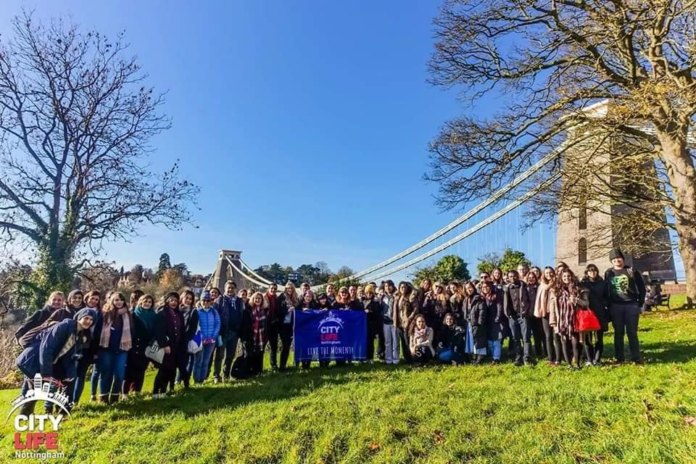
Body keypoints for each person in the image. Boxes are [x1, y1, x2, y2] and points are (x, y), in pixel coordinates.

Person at [15, 308, 96, 415]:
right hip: (33, 360)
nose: (88, 321)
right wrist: (46, 374)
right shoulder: (63, 326)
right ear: (78, 317)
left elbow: (69, 357)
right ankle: (25, 416)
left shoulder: (79, 335)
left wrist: (70, 374)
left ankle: (63, 413)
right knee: (35, 388)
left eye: (91, 320)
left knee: (70, 381)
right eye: (86, 318)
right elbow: (46, 349)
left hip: (48, 362)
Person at [604, 248, 646, 364]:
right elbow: (606, 289)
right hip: (616, 306)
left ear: (622, 259)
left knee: (632, 333)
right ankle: (619, 358)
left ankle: (636, 358)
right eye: (614, 259)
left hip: (631, 305)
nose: (617, 260)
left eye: (619, 258)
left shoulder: (631, 271)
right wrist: (608, 304)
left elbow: (641, 288)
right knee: (618, 333)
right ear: (611, 261)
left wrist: (640, 303)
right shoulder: (608, 273)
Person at [95, 292, 133, 403]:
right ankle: (103, 397)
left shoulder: (127, 314)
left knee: (120, 374)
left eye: (121, 299)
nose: (119, 302)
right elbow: (97, 331)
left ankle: (115, 396)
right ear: (112, 301)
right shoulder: (105, 313)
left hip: (122, 349)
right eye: (116, 300)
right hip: (106, 348)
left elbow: (132, 330)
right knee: (106, 373)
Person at [124, 294, 158, 394]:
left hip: (146, 345)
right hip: (133, 345)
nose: (147, 304)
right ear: (140, 302)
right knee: (130, 370)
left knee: (141, 369)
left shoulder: (154, 315)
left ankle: (136, 391)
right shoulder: (133, 314)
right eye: (145, 301)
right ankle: (124, 392)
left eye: (149, 302)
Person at [154, 292, 186, 397]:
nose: (173, 303)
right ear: (167, 301)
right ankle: (155, 391)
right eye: (171, 300)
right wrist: (165, 345)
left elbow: (181, 330)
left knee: (169, 370)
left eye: (176, 301)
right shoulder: (162, 313)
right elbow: (159, 331)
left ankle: (163, 391)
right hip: (166, 346)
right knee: (162, 370)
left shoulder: (179, 314)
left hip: (176, 346)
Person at [213, 281, 244, 382]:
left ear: (235, 289)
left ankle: (226, 375)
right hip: (223, 332)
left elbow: (241, 315)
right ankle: (216, 375)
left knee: (230, 355)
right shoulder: (220, 300)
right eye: (228, 288)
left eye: (232, 288)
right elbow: (215, 315)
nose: (230, 290)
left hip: (234, 333)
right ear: (225, 288)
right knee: (220, 355)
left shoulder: (239, 301)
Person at [73, 290, 100, 404]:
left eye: (96, 299)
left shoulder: (100, 313)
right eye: (92, 298)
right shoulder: (78, 309)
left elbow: (98, 333)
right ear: (87, 298)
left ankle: (75, 401)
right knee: (69, 375)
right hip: (73, 347)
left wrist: (94, 351)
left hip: (88, 347)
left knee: (81, 375)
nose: (93, 301)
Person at [555, 269, 585, 369]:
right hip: (562, 319)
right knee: (564, 341)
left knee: (575, 342)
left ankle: (576, 363)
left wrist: (576, 300)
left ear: (571, 276)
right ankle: (568, 364)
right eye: (564, 277)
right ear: (561, 278)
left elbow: (586, 303)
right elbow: (554, 307)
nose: (566, 278)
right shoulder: (557, 290)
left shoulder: (577, 288)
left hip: (574, 319)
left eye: (568, 276)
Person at [580, 264, 609, 365]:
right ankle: (589, 359)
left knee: (599, 338)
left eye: (594, 270)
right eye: (590, 271)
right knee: (588, 339)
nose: (593, 272)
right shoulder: (583, 283)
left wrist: (604, 304)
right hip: (587, 313)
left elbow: (607, 296)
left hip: (600, 313)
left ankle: (597, 359)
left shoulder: (603, 283)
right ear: (587, 272)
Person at [503, 270, 532, 366]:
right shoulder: (506, 288)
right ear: (508, 277)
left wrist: (527, 311)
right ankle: (518, 357)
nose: (512, 278)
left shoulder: (524, 286)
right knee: (515, 338)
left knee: (526, 338)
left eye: (514, 276)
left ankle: (526, 358)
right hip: (512, 317)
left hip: (523, 316)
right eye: (510, 276)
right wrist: (507, 313)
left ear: (517, 276)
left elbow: (530, 300)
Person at [535, 267, 561, 365]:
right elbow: (539, 300)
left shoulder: (558, 284)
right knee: (548, 336)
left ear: (553, 273)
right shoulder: (541, 285)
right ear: (544, 274)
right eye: (546, 273)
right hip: (545, 313)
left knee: (556, 336)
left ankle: (558, 359)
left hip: (555, 312)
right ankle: (551, 358)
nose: (549, 275)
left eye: (550, 273)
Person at [192, 291, 220, 383]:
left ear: (210, 301)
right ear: (200, 301)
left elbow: (217, 324)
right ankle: (196, 379)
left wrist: (213, 336)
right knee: (198, 361)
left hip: (211, 341)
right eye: (204, 300)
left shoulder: (214, 312)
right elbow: (196, 326)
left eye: (208, 300)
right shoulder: (197, 312)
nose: (206, 302)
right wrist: (202, 337)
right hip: (200, 341)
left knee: (206, 361)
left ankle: (202, 379)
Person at [178, 290, 199, 390]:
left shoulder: (193, 311)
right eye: (187, 298)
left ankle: (185, 382)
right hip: (174, 339)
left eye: (190, 299)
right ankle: (175, 383)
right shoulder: (176, 309)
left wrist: (186, 339)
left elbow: (193, 328)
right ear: (182, 297)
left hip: (185, 340)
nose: (188, 300)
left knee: (184, 363)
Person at [462, 281, 487, 364]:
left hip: (477, 323)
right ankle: (473, 357)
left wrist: (480, 323)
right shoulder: (465, 299)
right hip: (469, 323)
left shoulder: (478, 298)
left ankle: (480, 358)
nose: (468, 290)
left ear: (473, 288)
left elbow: (482, 311)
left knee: (479, 340)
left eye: (470, 287)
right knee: (471, 341)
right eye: (466, 288)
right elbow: (464, 311)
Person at [480, 281, 504, 364]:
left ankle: (496, 358)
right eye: (483, 287)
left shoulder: (495, 295)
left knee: (496, 340)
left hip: (495, 320)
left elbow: (499, 307)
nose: (485, 288)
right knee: (489, 341)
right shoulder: (481, 297)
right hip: (486, 322)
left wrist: (498, 318)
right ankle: (492, 356)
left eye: (486, 287)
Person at [277, 281, 299, 370]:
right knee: (285, 345)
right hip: (283, 325)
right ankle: (282, 366)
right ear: (285, 289)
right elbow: (278, 311)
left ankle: (286, 365)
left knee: (289, 345)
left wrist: (295, 308)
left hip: (292, 325)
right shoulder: (281, 297)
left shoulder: (295, 298)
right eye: (288, 288)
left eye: (291, 288)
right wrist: (287, 310)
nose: (289, 290)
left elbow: (298, 309)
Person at [245, 292, 268, 375]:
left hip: (262, 335)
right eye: (256, 298)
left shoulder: (265, 310)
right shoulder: (249, 309)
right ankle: (250, 371)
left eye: (259, 298)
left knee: (260, 353)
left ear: (262, 300)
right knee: (251, 353)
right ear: (253, 299)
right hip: (251, 335)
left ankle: (259, 371)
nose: (257, 300)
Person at [395, 282, 417, 364]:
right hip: (399, 323)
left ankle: (411, 359)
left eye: (404, 287)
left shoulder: (410, 297)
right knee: (403, 342)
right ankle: (406, 358)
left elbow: (415, 309)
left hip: (408, 322)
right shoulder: (398, 297)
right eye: (401, 287)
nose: (403, 289)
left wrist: (409, 318)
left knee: (408, 341)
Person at [524, 272, 545, 359]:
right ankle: (529, 353)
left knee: (538, 335)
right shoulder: (525, 288)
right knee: (527, 335)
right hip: (528, 314)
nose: (531, 279)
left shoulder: (539, 287)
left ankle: (539, 352)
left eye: (533, 277)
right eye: (529, 277)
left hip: (537, 314)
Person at [362, 284, 383, 363]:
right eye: (367, 293)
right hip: (364, 325)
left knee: (371, 342)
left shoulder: (375, 302)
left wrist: (369, 312)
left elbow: (377, 314)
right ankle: (364, 357)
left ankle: (370, 358)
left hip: (372, 325)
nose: (368, 294)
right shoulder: (363, 301)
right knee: (365, 342)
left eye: (370, 293)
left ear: (373, 293)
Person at [298, 290, 318, 369]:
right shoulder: (299, 305)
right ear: (304, 297)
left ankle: (308, 364)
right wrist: (302, 311)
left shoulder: (314, 305)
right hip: (302, 329)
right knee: (303, 347)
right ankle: (303, 364)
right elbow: (296, 313)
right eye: (307, 296)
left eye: (310, 297)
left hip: (312, 329)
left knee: (310, 347)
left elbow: (317, 313)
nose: (308, 298)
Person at [381, 280, 399, 365]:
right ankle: (388, 359)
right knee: (387, 342)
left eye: (389, 286)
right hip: (385, 321)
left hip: (394, 321)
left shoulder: (397, 296)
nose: (388, 288)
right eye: (386, 286)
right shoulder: (382, 297)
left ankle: (396, 359)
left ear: (393, 286)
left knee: (395, 341)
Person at [265, 283, 281, 370]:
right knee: (261, 347)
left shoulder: (277, 299)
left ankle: (273, 364)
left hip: (274, 325)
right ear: (268, 288)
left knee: (274, 346)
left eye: (275, 288)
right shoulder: (264, 297)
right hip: (265, 325)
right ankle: (258, 366)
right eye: (272, 288)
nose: (273, 290)